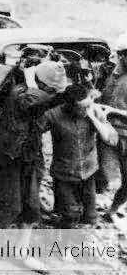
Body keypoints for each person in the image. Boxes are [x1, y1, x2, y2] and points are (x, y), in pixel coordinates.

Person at [0, 60, 67, 229]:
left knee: (31, 207)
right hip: (11, 156)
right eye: (50, 90)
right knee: (7, 204)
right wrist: (31, 81)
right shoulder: (22, 93)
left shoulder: (40, 95)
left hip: (30, 154)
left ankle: (20, 251)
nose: (53, 94)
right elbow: (30, 102)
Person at [38, 83, 117, 228]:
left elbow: (111, 140)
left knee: (90, 217)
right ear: (70, 106)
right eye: (82, 107)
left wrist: (93, 118)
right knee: (70, 215)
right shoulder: (53, 115)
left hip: (88, 172)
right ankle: (64, 242)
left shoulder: (94, 111)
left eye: (89, 104)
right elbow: (34, 132)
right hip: (64, 174)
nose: (87, 109)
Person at [102, 33, 127, 220]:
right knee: (99, 175)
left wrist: (113, 111)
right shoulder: (112, 72)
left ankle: (112, 209)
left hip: (123, 132)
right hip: (106, 131)